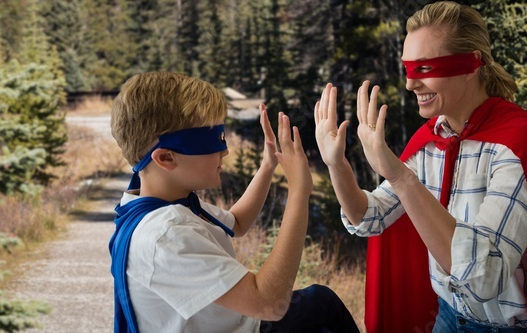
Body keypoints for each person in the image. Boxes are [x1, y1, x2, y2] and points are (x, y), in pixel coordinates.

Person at [313, 2, 527, 332]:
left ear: (471, 65)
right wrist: (336, 164)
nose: (411, 84)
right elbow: (370, 217)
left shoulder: (517, 147)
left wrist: (398, 175)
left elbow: (486, 276)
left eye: (425, 69)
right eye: (409, 69)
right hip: (447, 318)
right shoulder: (430, 141)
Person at [108, 72, 359, 333]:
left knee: (320, 303)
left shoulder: (159, 205)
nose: (225, 150)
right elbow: (270, 305)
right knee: (321, 307)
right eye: (211, 140)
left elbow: (236, 223)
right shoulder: (165, 233)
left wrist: (268, 166)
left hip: (243, 322)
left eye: (222, 136)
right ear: (166, 158)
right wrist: (299, 191)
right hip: (252, 320)